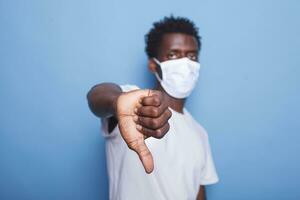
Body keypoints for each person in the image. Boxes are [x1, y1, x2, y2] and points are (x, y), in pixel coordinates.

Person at [87, 16, 219, 200]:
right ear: (153, 65)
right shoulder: (132, 101)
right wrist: (116, 102)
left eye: (192, 56)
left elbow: (198, 193)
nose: (185, 63)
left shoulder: (200, 133)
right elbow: (97, 97)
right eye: (173, 55)